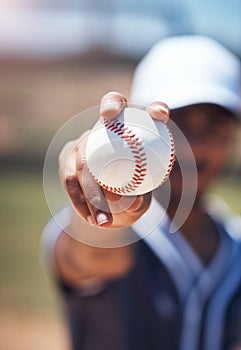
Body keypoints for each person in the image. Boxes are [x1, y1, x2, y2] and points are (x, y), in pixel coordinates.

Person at [42, 35, 241, 350]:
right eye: (178, 126)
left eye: (214, 126)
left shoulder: (236, 245)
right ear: (138, 127)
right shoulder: (117, 234)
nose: (196, 147)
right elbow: (89, 256)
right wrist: (102, 217)